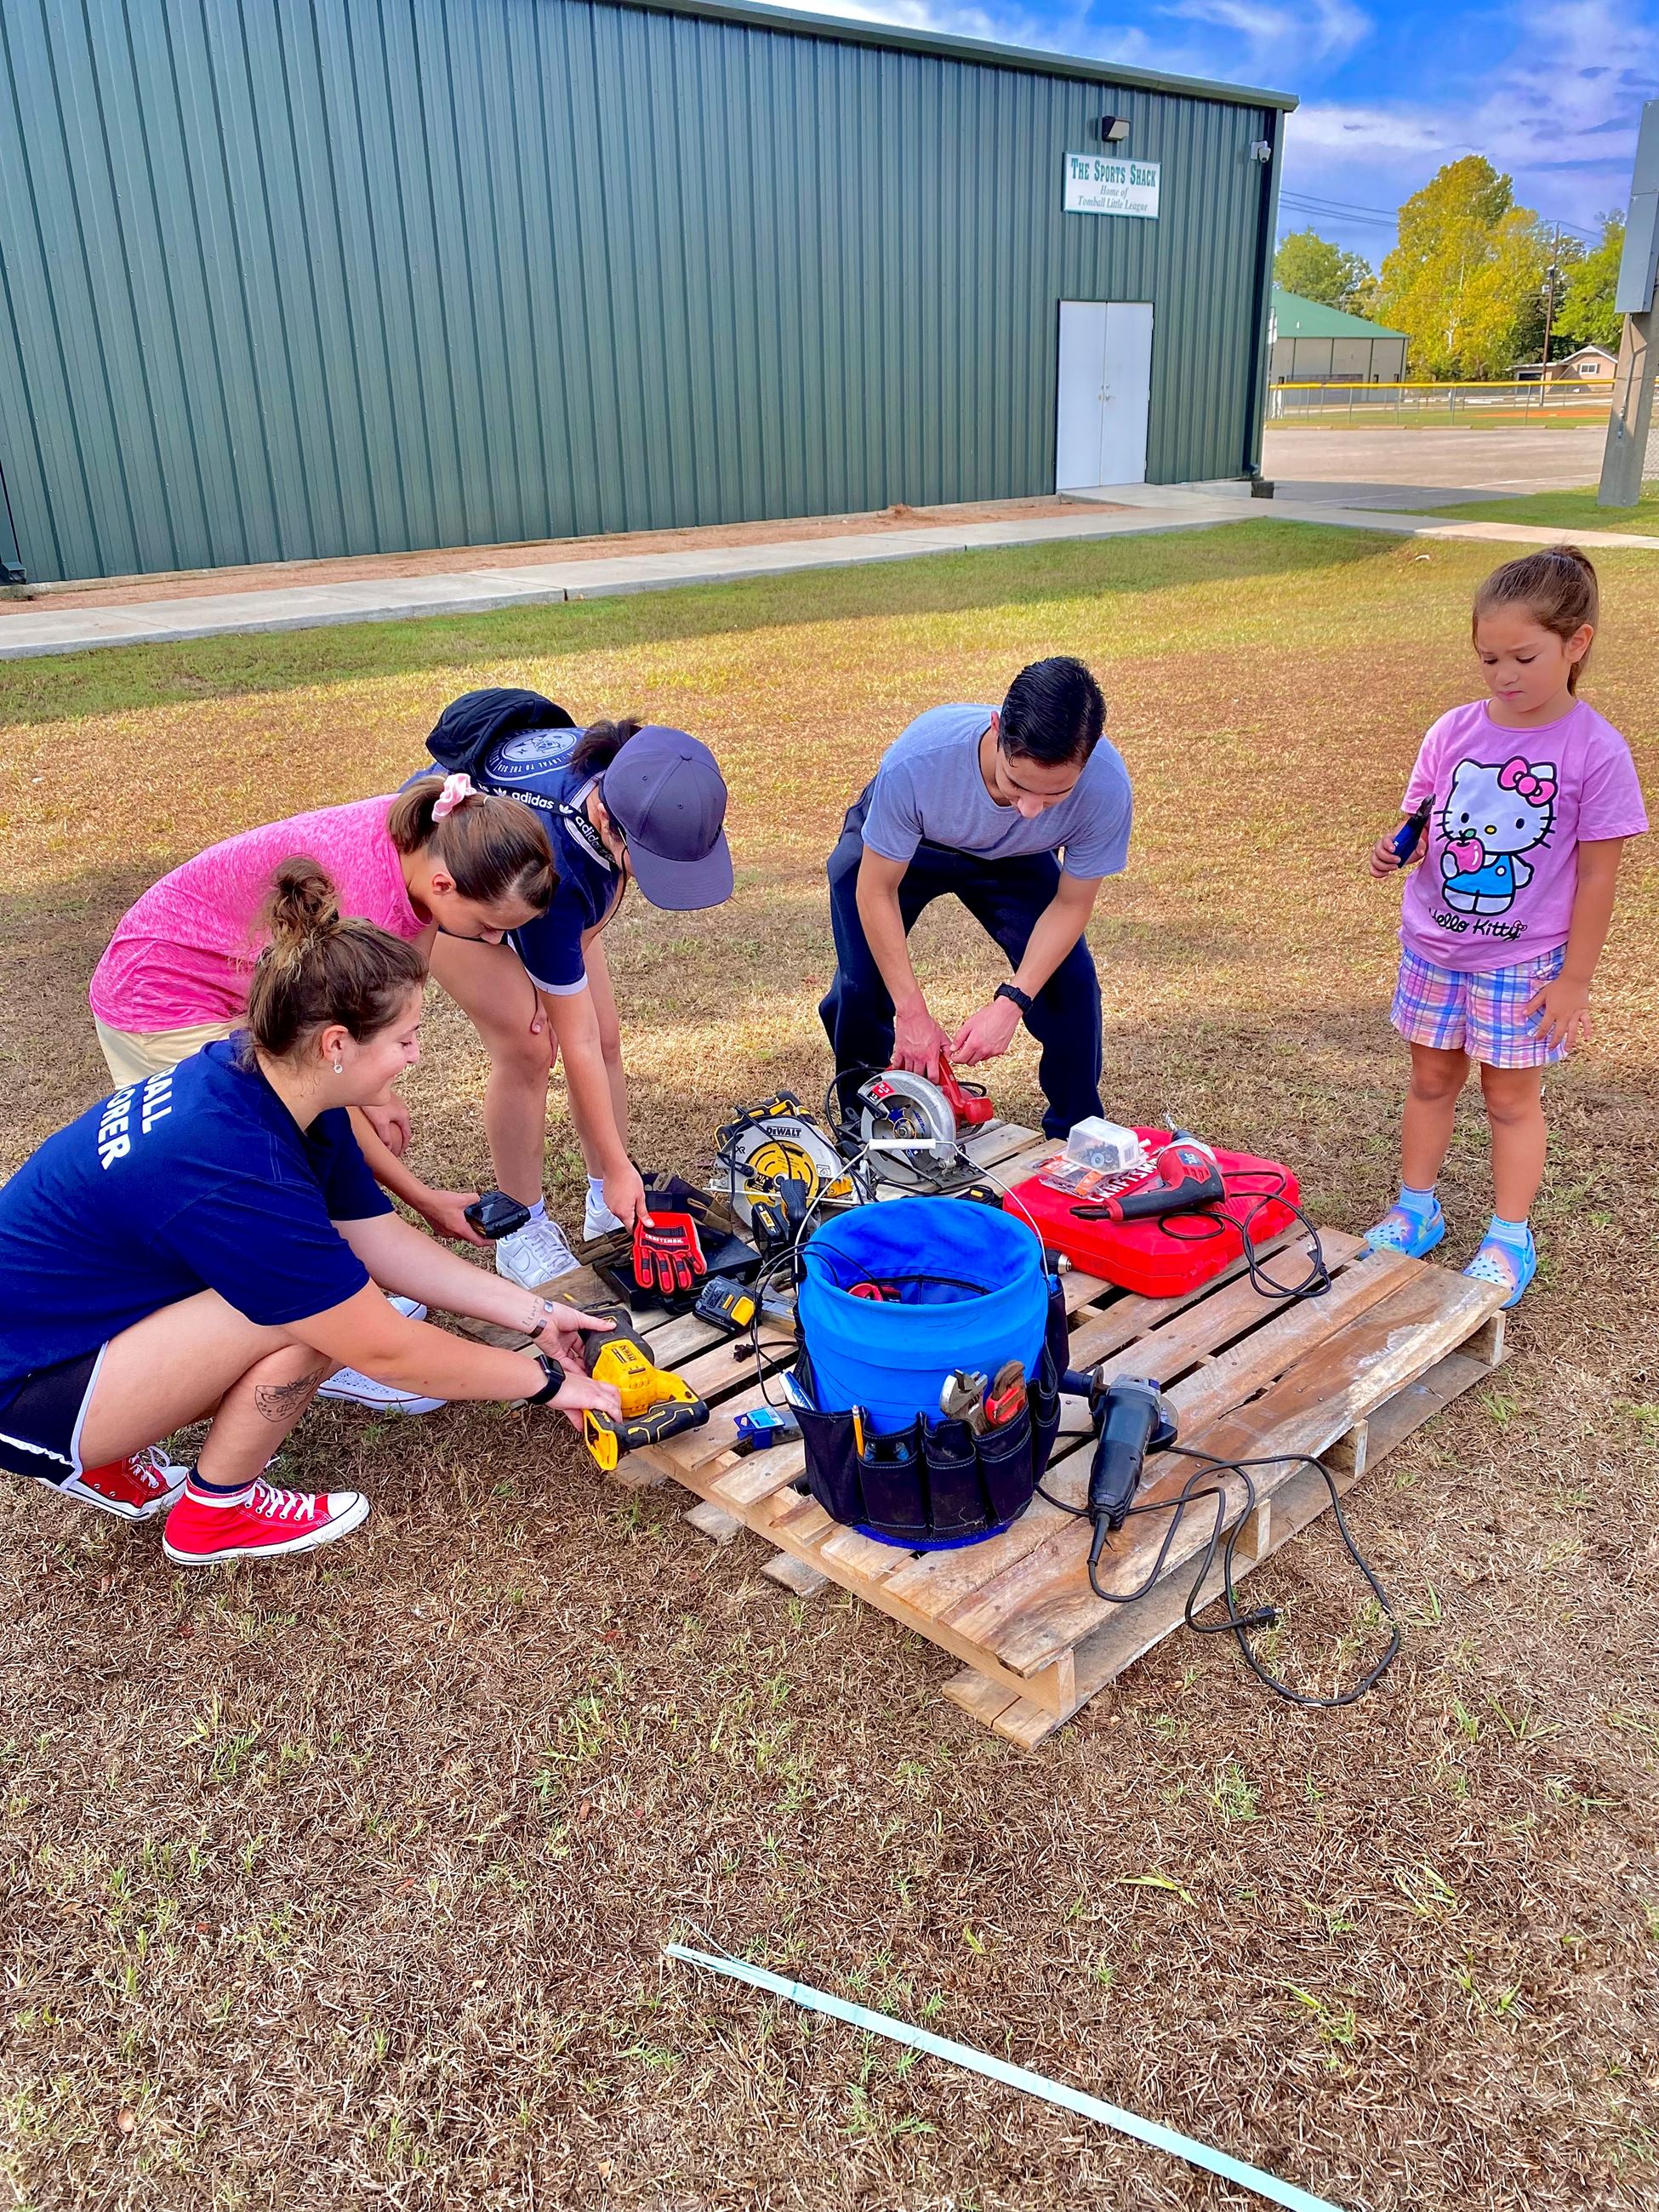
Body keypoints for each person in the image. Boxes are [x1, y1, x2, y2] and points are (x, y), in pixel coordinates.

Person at [1, 860, 619, 1565]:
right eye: (405, 1039)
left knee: (323, 1282)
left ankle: (116, 1449)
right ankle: (215, 1514)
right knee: (313, 1318)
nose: (413, 1057)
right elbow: (384, 1348)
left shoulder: (270, 1075)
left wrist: (533, 1316)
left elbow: (378, 1238)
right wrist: (543, 1382)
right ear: (336, 1044)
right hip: (25, 1387)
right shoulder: (234, 1164)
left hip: (54, 1335)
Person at [89, 772, 555, 1245]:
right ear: (444, 885)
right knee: (250, 1154)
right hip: (162, 993)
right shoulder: (360, 906)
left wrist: (378, 1092)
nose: (495, 941)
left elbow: (389, 999)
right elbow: (323, 1071)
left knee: (310, 1128)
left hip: (227, 978)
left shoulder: (436, 835)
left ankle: (343, 1269)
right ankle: (298, 1290)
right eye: (488, 924)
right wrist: (420, 1196)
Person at [1365, 547, 1647, 1307]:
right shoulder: (1453, 730)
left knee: (1510, 1100)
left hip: (1523, 964)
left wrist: (1574, 982)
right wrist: (1402, 845)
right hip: (1433, 945)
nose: (1503, 675)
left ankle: (1508, 1236)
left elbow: (1597, 877)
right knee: (1429, 1081)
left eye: (1523, 656)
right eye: (1489, 658)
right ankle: (1415, 1210)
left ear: (1576, 643)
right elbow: (1422, 817)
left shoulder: (1597, 750)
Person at [419, 688, 733, 1288]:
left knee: (606, 1034)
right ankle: (520, 1228)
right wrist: (624, 1168)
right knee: (529, 1046)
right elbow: (575, 1040)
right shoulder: (558, 861)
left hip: (549, 885)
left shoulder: (637, 779)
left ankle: (604, 1199)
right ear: (608, 822)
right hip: (461, 882)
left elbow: (593, 1024)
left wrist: (615, 1175)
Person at [818, 657, 1132, 1140]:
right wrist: (913, 1012)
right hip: (908, 844)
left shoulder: (1106, 787)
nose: (1030, 811)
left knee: (1072, 985)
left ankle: (1078, 1134)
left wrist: (1012, 1002)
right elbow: (876, 889)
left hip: (1015, 858)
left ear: (1087, 760)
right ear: (997, 728)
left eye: (1053, 797)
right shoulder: (919, 762)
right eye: (1016, 784)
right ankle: (863, 1129)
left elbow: (1071, 905)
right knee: (862, 988)